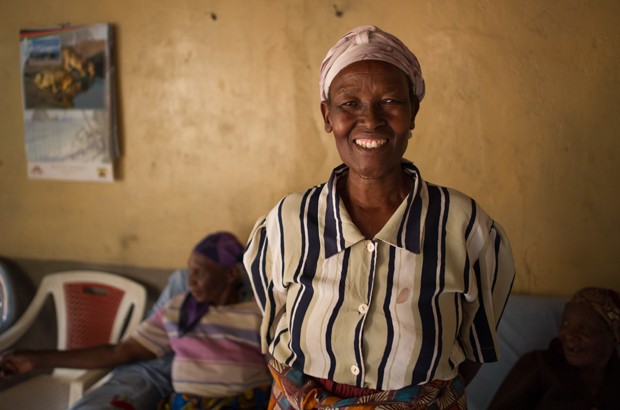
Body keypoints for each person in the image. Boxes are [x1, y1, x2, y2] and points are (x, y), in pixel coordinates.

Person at [243, 25, 516, 409]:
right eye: (349, 103)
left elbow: (472, 347)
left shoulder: (466, 225)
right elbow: (274, 327)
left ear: (414, 111)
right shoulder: (286, 221)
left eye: (390, 101)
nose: (370, 120)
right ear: (327, 115)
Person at [0, 232, 272, 410]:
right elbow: (120, 352)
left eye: (200, 273)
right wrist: (37, 359)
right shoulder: (180, 308)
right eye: (189, 271)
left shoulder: (258, 312)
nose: (189, 281)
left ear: (230, 275)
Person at [488, 287, 620, 410]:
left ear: (613, 337)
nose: (569, 335)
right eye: (565, 323)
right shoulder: (539, 365)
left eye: (584, 328)